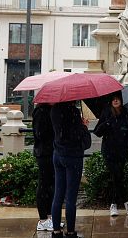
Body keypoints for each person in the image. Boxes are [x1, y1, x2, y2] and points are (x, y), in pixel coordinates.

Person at [50, 102, 90, 237]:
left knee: (58, 194)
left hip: (58, 155)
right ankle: (71, 232)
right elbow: (82, 140)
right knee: (71, 197)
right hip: (72, 157)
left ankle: (56, 231)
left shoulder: (54, 110)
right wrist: (84, 126)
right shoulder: (73, 112)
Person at [93, 95, 128, 217]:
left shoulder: (127, 114)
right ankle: (125, 203)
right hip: (109, 152)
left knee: (117, 177)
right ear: (110, 102)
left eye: (118, 98)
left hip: (121, 153)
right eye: (113, 99)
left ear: (122, 101)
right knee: (116, 175)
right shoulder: (106, 113)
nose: (115, 100)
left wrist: (126, 151)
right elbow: (97, 132)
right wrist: (106, 123)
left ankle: (115, 204)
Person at [33, 104, 55, 232]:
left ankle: (50, 217)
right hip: (43, 153)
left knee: (51, 185)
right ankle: (42, 219)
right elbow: (40, 133)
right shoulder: (40, 111)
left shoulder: (51, 110)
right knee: (43, 185)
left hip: (51, 152)